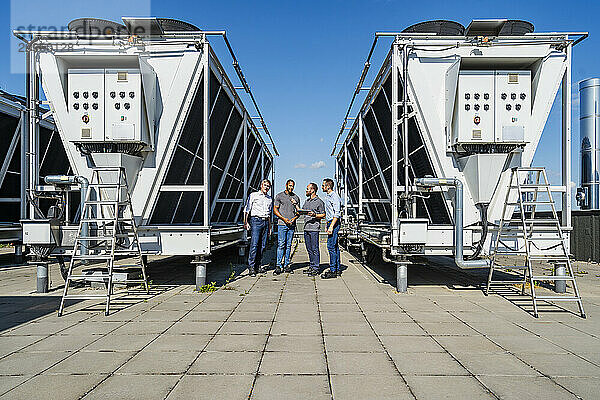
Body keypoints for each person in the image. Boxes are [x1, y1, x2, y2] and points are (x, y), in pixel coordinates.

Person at [243, 179, 272, 276]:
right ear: (261, 185)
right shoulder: (253, 195)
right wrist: (245, 222)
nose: (266, 187)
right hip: (256, 221)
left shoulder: (269, 199)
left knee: (262, 246)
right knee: (254, 244)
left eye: (268, 186)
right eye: (265, 185)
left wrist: (270, 228)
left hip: (265, 222)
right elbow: (247, 209)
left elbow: (269, 214)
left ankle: (258, 266)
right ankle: (251, 267)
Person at [273, 179, 301, 274]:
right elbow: (275, 210)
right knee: (281, 244)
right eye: (289, 185)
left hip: (291, 225)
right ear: (286, 185)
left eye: (292, 186)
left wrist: (294, 219)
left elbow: (298, 212)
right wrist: (284, 219)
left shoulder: (296, 198)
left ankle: (286, 265)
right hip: (282, 224)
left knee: (289, 245)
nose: (291, 187)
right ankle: (278, 265)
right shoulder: (279, 196)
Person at [300, 183, 325, 276]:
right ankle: (312, 265)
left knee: (314, 248)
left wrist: (315, 215)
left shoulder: (319, 202)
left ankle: (316, 267)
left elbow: (323, 214)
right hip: (306, 228)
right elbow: (302, 211)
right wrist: (295, 205)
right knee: (309, 248)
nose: (306, 190)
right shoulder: (307, 201)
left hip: (314, 229)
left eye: (308, 189)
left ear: (313, 190)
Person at [321, 178, 342, 279]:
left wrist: (331, 226)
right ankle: (337, 269)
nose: (322, 187)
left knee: (330, 247)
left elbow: (337, 214)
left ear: (328, 186)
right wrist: (327, 225)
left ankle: (333, 270)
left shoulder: (334, 196)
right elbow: (329, 213)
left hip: (334, 223)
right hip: (330, 222)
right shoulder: (328, 196)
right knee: (335, 246)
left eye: (323, 185)